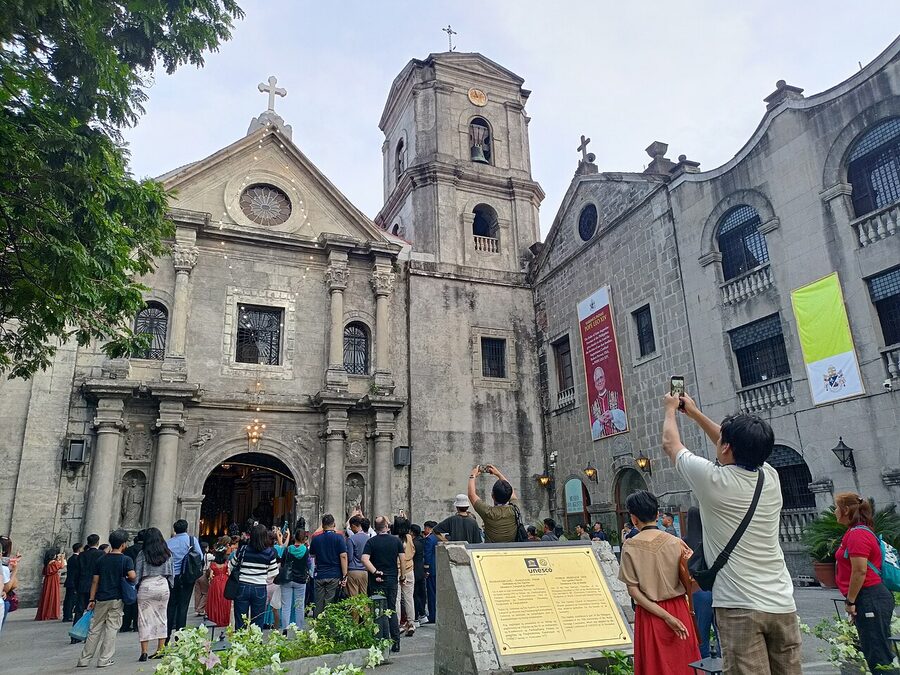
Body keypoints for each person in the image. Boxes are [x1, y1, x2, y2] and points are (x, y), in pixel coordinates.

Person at [662, 392, 801, 675]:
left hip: (739, 607)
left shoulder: (714, 481)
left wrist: (670, 410)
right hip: (782, 603)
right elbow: (736, 447)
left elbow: (670, 444)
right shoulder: (770, 477)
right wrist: (697, 413)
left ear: (726, 448)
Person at [618, 490, 700, 674]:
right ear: (657, 514)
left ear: (633, 518)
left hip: (649, 613)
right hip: (679, 609)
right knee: (683, 663)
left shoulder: (630, 546)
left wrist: (665, 617)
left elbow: (633, 591)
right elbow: (694, 584)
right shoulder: (677, 542)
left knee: (654, 666)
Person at [834, 492, 899, 674]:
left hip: (870, 596)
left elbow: (860, 571)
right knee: (874, 651)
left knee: (879, 656)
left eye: (837, 508)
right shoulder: (855, 532)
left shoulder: (858, 535)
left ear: (846, 510)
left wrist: (851, 601)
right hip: (869, 596)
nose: (834, 512)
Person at [77, 528, 136, 669]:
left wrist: (91, 600)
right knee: (111, 628)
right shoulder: (125, 560)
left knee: (94, 629)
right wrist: (128, 578)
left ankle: (84, 659)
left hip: (101, 598)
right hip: (116, 598)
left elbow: (95, 581)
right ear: (123, 544)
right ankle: (104, 659)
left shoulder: (101, 559)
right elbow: (133, 576)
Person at [362, 516, 404, 653]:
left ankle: (381, 639)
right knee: (391, 609)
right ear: (386, 526)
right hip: (391, 578)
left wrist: (375, 572)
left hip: (377, 580)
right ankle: (396, 642)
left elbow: (364, 559)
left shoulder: (371, 542)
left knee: (379, 610)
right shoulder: (396, 541)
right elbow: (402, 559)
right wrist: (402, 575)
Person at [683, 506, 718, 659]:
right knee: (721, 633)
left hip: (697, 593)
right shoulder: (711, 539)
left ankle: (704, 666)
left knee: (701, 634)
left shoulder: (684, 543)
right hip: (716, 590)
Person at [134, 527, 173, 662]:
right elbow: (171, 573)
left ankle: (144, 652)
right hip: (162, 585)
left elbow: (137, 574)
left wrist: (136, 586)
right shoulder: (167, 554)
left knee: (144, 619)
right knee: (162, 618)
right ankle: (160, 649)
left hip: (147, 586)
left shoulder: (142, 554)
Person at [229, 523, 279, 629]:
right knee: (257, 621)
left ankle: (240, 642)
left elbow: (231, 565)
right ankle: (255, 643)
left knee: (240, 620)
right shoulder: (269, 553)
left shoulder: (242, 549)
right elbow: (274, 573)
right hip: (260, 586)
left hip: (242, 585)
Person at [165, 519, 203, 639]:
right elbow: (200, 556)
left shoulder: (168, 542)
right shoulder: (192, 540)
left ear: (174, 529)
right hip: (187, 577)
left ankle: (166, 635)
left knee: (171, 606)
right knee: (183, 606)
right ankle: (180, 636)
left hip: (172, 577)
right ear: (186, 528)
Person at [309, 514, 348, 615]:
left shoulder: (316, 539)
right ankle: (328, 626)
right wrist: (345, 575)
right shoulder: (339, 538)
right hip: (334, 574)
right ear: (334, 524)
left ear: (322, 525)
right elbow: (343, 556)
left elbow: (312, 555)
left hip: (320, 574)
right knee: (330, 603)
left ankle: (317, 625)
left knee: (318, 602)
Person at [277, 529, 309, 631]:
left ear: (294, 537)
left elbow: (282, 563)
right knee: (299, 606)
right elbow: (308, 565)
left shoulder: (288, 549)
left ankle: (285, 629)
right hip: (300, 580)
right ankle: (299, 628)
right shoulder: (306, 550)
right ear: (304, 539)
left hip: (287, 579)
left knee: (286, 606)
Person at [76, 533, 104, 639]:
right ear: (98, 542)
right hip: (96, 587)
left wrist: (76, 586)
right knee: (95, 611)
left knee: (79, 610)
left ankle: (76, 634)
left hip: (82, 585)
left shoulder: (81, 555)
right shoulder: (101, 554)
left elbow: (77, 572)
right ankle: (90, 633)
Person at [394, 517, 416, 636]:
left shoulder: (394, 538)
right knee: (409, 598)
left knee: (397, 599)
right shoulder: (408, 537)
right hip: (409, 569)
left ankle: (398, 624)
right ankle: (411, 623)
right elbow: (413, 551)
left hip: (396, 569)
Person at [590, 366, 626, 439]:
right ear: (594, 383)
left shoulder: (617, 396)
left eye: (601, 378)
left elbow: (625, 419)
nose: (599, 381)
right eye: (597, 380)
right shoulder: (593, 407)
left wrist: (612, 414)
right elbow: (593, 433)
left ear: (605, 378)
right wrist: (599, 421)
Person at [205, 537, 232, 629]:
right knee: (225, 601)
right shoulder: (226, 563)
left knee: (215, 601)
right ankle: (224, 619)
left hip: (216, 583)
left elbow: (210, 576)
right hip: (225, 581)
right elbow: (229, 573)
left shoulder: (212, 564)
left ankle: (214, 619)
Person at [122, 530, 145, 633]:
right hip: (141, 578)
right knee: (138, 603)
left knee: (128, 602)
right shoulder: (146, 551)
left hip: (128, 578)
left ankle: (125, 624)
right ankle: (136, 624)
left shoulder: (128, 550)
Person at [35, 548, 66, 620]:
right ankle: (51, 613)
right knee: (53, 594)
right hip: (53, 580)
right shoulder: (53, 562)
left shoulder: (47, 563)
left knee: (47, 595)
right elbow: (62, 566)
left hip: (48, 580)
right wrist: (62, 558)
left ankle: (45, 612)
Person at [346, 516, 370, 598]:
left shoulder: (351, 539)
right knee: (364, 597)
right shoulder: (368, 538)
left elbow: (349, 557)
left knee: (354, 598)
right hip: (365, 570)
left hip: (353, 570)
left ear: (353, 526)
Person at [410, 524, 427, 624]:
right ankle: (422, 614)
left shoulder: (413, 544)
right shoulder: (421, 542)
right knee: (421, 594)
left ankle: (416, 616)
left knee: (415, 594)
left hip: (415, 570)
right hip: (420, 570)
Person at [63, 543, 83, 622]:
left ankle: (66, 615)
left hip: (69, 581)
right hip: (74, 582)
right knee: (71, 600)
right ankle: (68, 615)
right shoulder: (77, 559)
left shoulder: (71, 558)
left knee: (68, 599)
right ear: (79, 549)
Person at [422, 521, 437, 624]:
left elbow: (427, 555)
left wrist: (426, 569)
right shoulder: (436, 538)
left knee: (431, 593)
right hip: (436, 567)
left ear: (428, 528)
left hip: (431, 569)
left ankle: (432, 615)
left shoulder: (428, 539)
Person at [193, 541, 211, 618]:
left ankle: (197, 609)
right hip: (204, 575)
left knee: (197, 593)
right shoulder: (208, 556)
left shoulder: (197, 555)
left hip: (197, 575)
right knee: (206, 593)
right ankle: (201, 609)